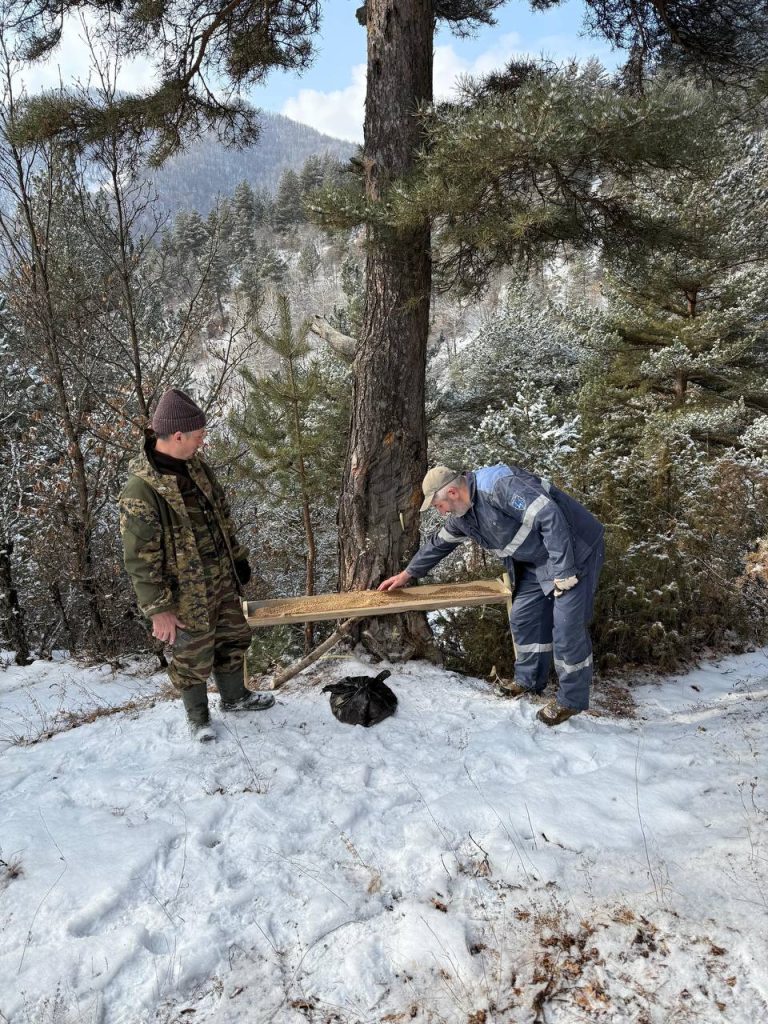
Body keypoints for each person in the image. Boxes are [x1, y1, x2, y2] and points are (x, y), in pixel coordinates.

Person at [379, 465, 605, 726]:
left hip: (573, 551)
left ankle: (570, 701)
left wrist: (564, 570)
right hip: (537, 561)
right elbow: (439, 544)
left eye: (438, 506)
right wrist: (407, 574)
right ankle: (529, 681)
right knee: (524, 618)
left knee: (567, 626)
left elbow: (550, 516)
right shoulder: (464, 515)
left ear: (452, 492)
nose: (441, 512)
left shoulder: (498, 485)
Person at [119, 388, 274, 741]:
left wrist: (237, 558)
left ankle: (235, 697)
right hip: (185, 593)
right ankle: (199, 718)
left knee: (233, 639)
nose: (202, 442)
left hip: (220, 578)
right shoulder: (141, 490)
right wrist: (158, 609)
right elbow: (139, 559)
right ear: (177, 436)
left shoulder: (195, 467)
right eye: (199, 435)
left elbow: (222, 515)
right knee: (192, 656)